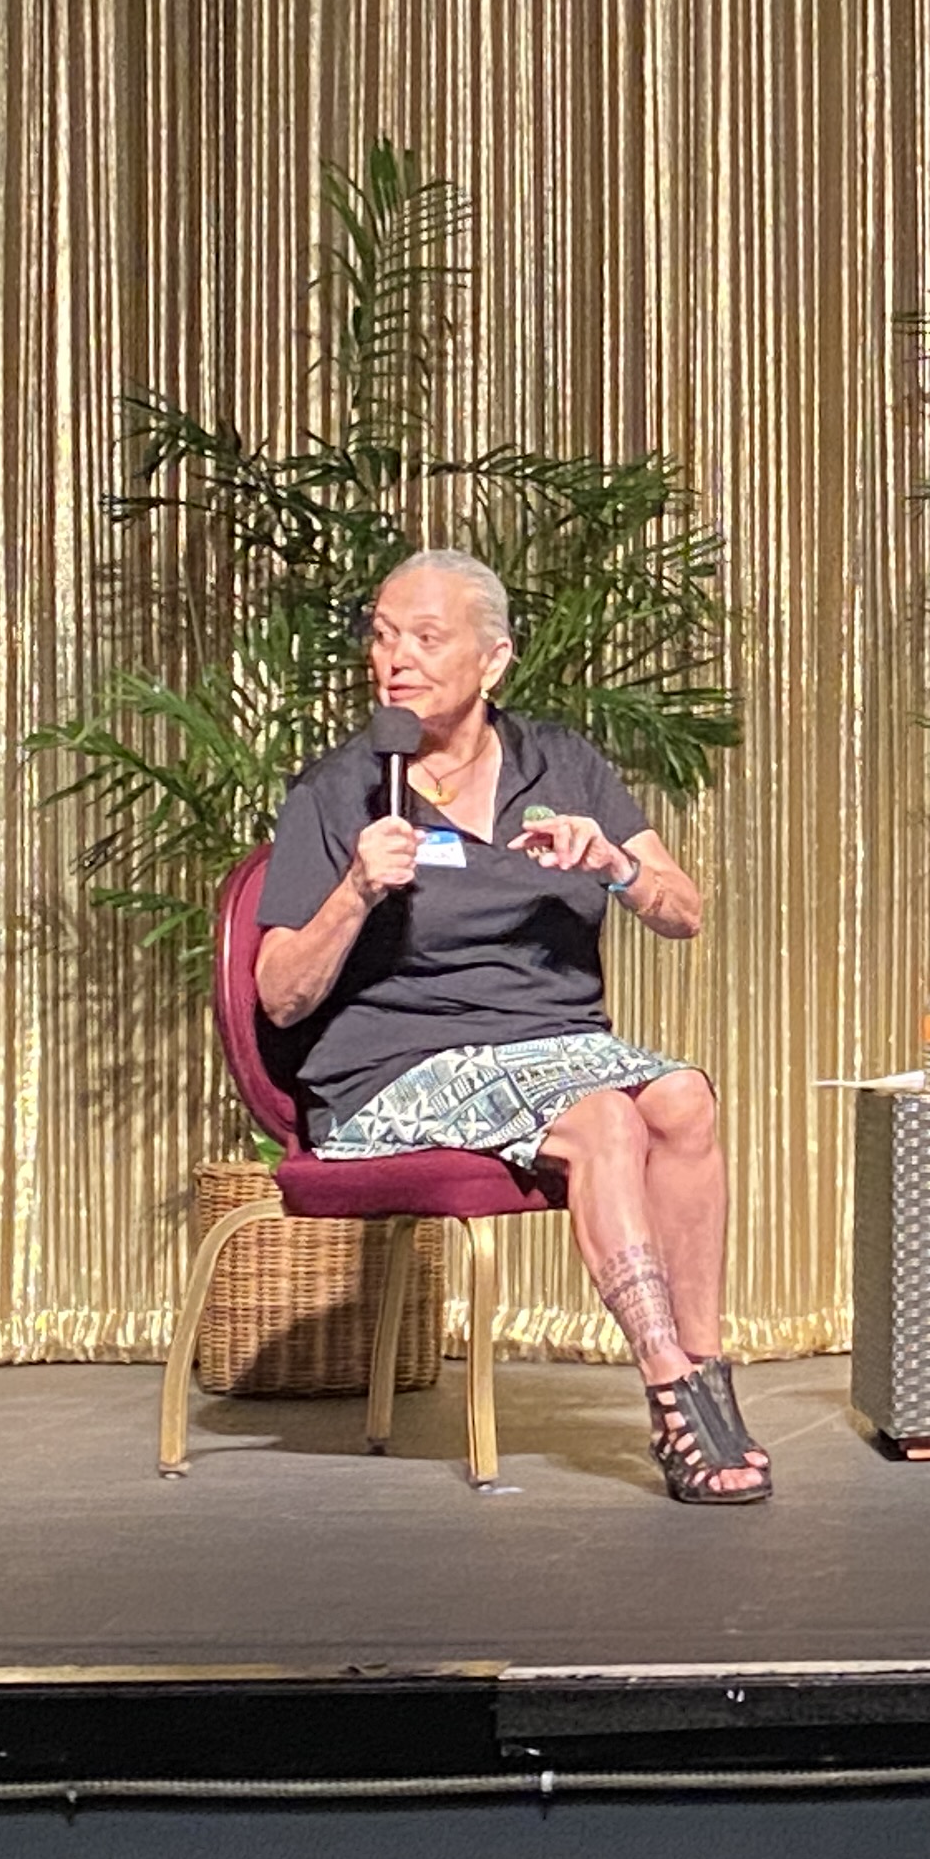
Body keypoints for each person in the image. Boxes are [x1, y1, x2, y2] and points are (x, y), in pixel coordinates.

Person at [255, 550, 765, 1506]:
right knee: (605, 1118)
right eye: (382, 634)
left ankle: (710, 1371)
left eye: (425, 638)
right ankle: (669, 1392)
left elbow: (683, 910)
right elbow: (279, 996)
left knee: (685, 1099)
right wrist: (358, 888)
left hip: (558, 1047)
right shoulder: (338, 790)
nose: (394, 657)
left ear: (493, 663)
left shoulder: (561, 764)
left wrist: (614, 862)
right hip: (401, 1066)